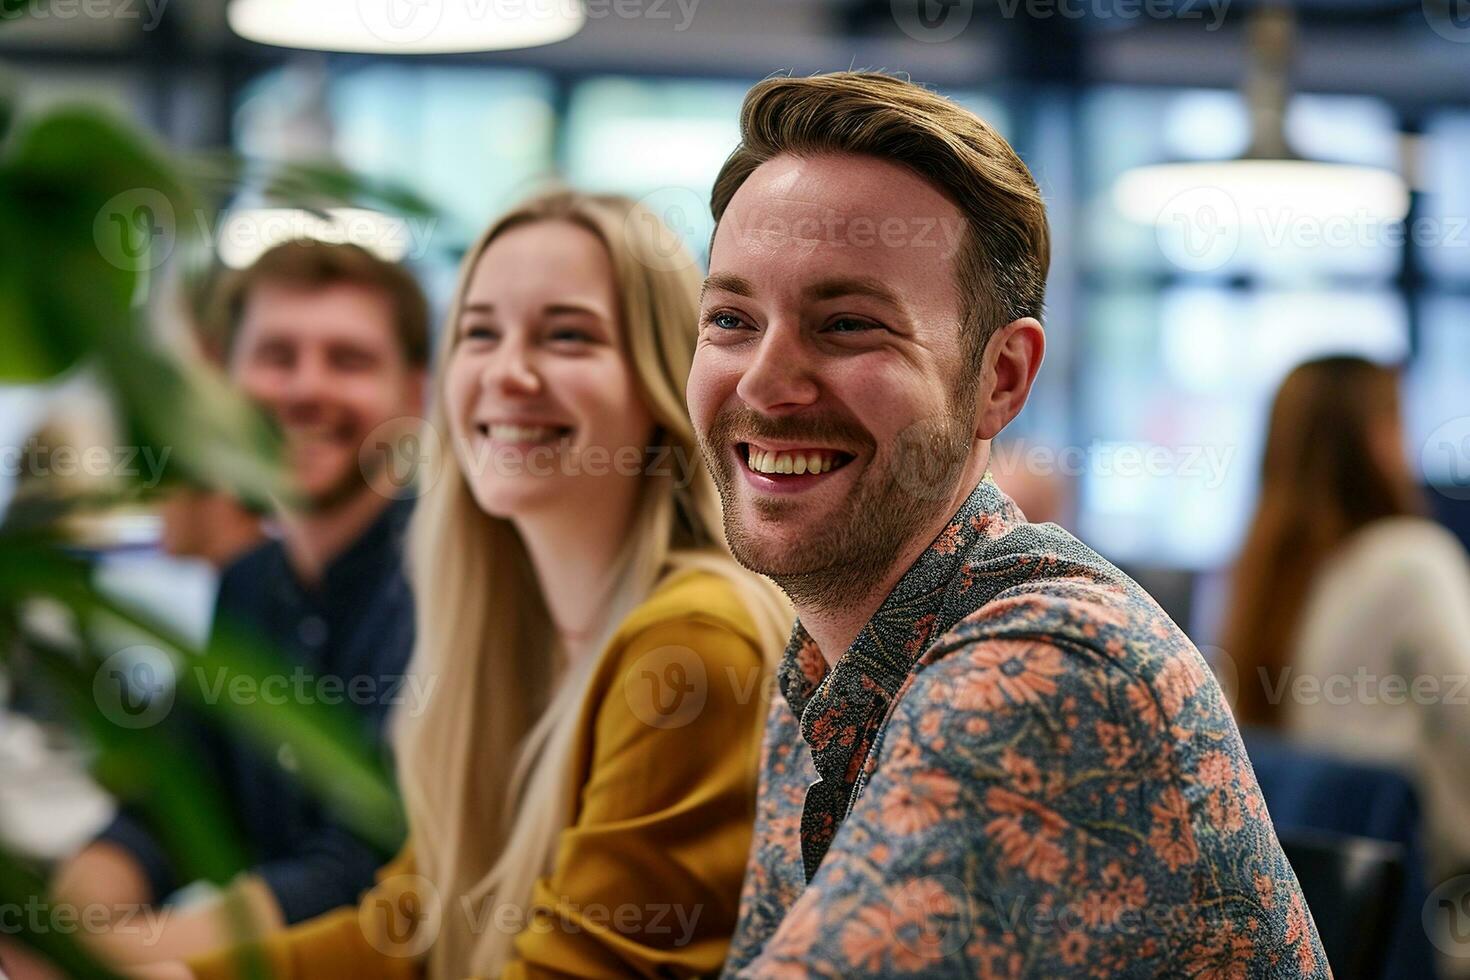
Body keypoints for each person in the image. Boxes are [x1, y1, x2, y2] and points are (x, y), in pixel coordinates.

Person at [688, 72, 1328, 976]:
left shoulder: (1056, 670)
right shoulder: (821, 677)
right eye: (730, 319)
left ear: (1001, 380)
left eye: (847, 325)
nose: (762, 381)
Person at [150, 190, 792, 979]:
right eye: (480, 332)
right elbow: (413, 921)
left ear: (661, 383)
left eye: (566, 336)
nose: (508, 373)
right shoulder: (512, 634)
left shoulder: (693, 637)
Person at [48, 240, 431, 967]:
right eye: (277, 356)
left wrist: (116, 952)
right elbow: (173, 796)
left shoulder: (450, 589)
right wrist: (63, 923)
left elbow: (365, 867)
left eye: (348, 359)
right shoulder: (251, 581)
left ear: (413, 393)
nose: (304, 389)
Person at [1223, 356, 1470, 885]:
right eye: (1396, 422)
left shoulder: (1261, 577)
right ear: (1373, 439)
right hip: (1425, 906)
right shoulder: (1411, 559)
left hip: (1313, 904)